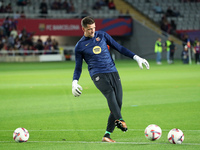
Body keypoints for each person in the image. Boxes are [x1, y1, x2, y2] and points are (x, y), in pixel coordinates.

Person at [72, 16, 150, 143]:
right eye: (89, 29)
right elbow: (78, 67)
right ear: (83, 29)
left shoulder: (102, 35)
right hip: (97, 74)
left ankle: (107, 135)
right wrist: (74, 82)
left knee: (118, 103)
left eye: (94, 28)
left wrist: (136, 57)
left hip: (113, 71)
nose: (92, 31)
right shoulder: (80, 46)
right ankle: (120, 119)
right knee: (110, 94)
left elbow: (120, 48)